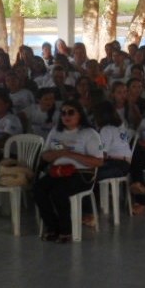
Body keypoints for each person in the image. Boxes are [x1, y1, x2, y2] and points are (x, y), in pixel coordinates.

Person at [35, 101, 103, 243]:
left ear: (80, 115)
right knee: (38, 189)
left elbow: (98, 162)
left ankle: (66, 230)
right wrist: (60, 153)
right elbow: (45, 155)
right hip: (58, 170)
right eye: (63, 113)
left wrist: (71, 154)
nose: (66, 116)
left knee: (59, 192)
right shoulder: (55, 131)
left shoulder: (89, 133)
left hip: (81, 173)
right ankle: (52, 226)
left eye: (71, 112)